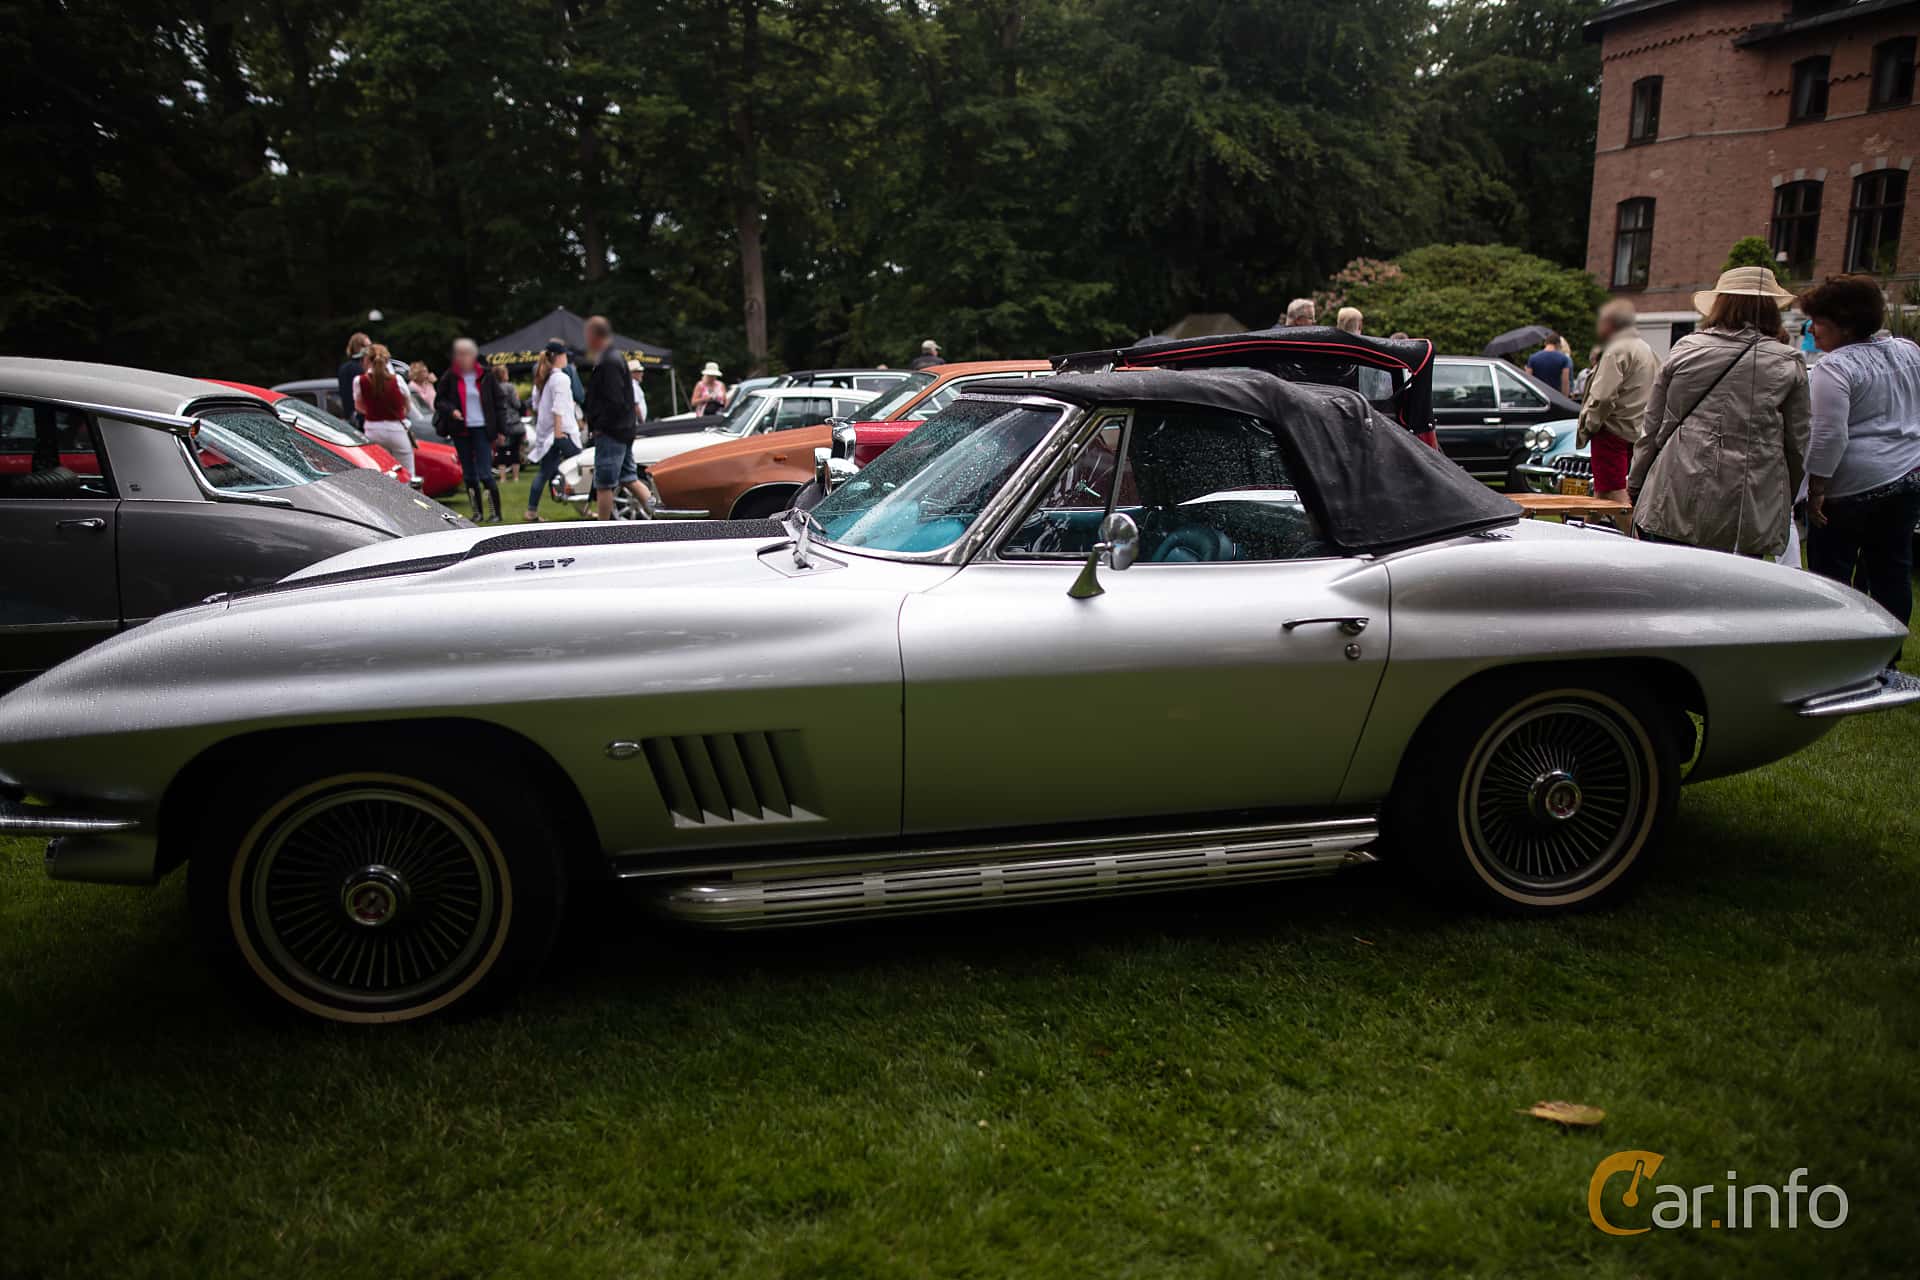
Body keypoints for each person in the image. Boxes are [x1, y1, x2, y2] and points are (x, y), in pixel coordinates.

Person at [1628, 267, 1809, 557]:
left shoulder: (1687, 349)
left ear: (1720, 303)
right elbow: (1797, 444)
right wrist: (1785, 499)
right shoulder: (1788, 361)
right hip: (1749, 500)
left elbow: (1653, 427)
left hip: (1677, 486)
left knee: (1669, 587)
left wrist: (1636, 483)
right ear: (1771, 309)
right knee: (1733, 591)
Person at [1798, 275, 1920, 627]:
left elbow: (1828, 434)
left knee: (1832, 577)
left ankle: (1835, 643)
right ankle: (1887, 652)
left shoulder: (1834, 367)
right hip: (1906, 478)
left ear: (1846, 326)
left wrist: (1817, 488)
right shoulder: (1907, 350)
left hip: (1851, 487)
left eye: (1819, 321)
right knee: (1893, 570)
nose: (1812, 329)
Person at [1577, 303, 1657, 520]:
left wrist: (1589, 424)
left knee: (1614, 492)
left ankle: (1636, 546)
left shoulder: (1616, 349)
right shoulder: (1644, 348)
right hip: (1633, 428)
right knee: (1603, 491)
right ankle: (1586, 537)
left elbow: (1603, 396)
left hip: (1611, 429)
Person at [584, 315, 650, 521]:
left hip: (612, 432)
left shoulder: (607, 361)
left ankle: (602, 530)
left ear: (594, 336)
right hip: (623, 430)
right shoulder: (615, 357)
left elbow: (614, 400)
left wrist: (600, 426)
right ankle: (660, 512)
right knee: (630, 478)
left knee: (604, 484)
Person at [434, 337, 504, 523]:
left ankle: (495, 512)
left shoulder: (486, 376)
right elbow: (439, 401)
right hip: (461, 429)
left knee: (485, 473)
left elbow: (499, 403)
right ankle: (477, 512)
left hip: (482, 428)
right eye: (459, 354)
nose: (462, 358)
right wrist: (452, 410)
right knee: (469, 474)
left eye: (466, 354)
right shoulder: (450, 376)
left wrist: (501, 430)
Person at [523, 339, 583, 522]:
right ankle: (585, 508)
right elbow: (558, 408)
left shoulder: (546, 378)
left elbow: (537, 405)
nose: (566, 359)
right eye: (564, 355)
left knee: (545, 471)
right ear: (558, 357)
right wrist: (558, 433)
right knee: (581, 466)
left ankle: (531, 511)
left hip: (549, 432)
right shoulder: (561, 378)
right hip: (560, 432)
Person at [352, 343, 415, 478]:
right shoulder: (397, 380)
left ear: (367, 360)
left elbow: (359, 406)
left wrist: (373, 411)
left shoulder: (359, 381)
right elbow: (408, 407)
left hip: (373, 429)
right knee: (408, 472)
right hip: (397, 429)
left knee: (380, 472)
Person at [492, 366, 524, 482]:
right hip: (514, 423)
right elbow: (517, 405)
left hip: (500, 424)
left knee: (501, 451)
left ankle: (502, 477)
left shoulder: (493, 388)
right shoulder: (510, 387)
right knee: (515, 451)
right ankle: (515, 477)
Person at [337, 332, 372, 425]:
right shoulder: (358, 368)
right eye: (368, 346)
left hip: (351, 416)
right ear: (359, 347)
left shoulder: (344, 367)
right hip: (360, 418)